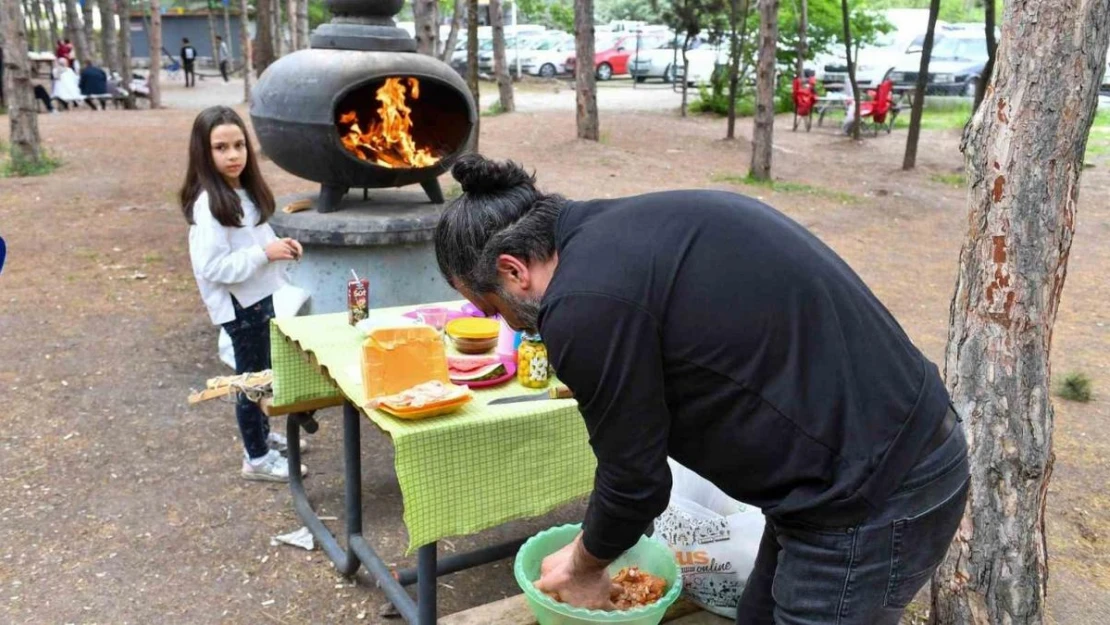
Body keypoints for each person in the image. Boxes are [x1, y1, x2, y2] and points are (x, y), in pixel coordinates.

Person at [433, 155, 969, 625]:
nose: (506, 324)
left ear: (512, 269)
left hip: (874, 495)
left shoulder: (584, 302)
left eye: (489, 306)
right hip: (855, 461)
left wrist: (582, 566)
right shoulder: (620, 229)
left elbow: (635, 483)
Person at [180, 106, 307, 482]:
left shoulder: (243, 192)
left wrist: (278, 245)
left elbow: (257, 240)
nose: (233, 155)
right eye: (220, 148)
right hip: (239, 308)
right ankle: (256, 458)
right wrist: (262, 254)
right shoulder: (209, 205)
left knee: (263, 373)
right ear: (203, 152)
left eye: (239, 145)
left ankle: (263, 438)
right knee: (249, 384)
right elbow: (213, 267)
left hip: (259, 298)